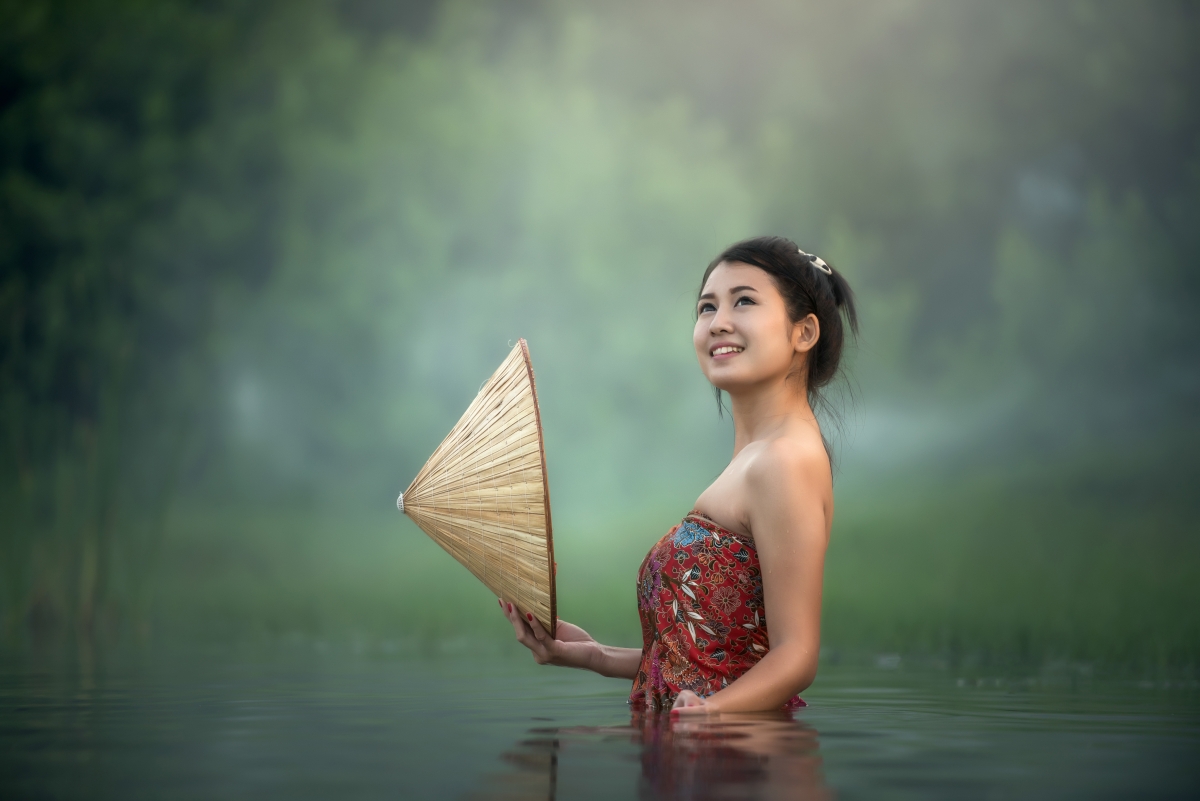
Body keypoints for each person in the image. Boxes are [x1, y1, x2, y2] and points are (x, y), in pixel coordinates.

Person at [499, 235, 857, 714]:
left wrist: (710, 715)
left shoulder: (784, 461)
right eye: (706, 307)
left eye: (744, 301)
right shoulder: (754, 459)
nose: (718, 322)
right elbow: (709, 659)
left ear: (803, 333)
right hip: (694, 756)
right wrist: (590, 655)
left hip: (739, 766)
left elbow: (796, 657)